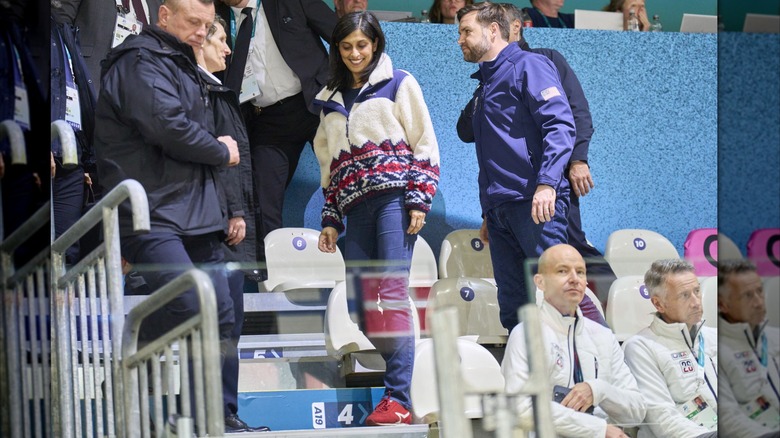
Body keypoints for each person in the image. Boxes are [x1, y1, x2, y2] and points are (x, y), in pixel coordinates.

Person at [93, 0, 243, 431]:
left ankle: (210, 416)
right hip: (150, 212)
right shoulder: (138, 60)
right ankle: (131, 352)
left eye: (207, 25)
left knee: (222, 312)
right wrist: (221, 151)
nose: (201, 32)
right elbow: (168, 125)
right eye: (193, 22)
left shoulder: (182, 63)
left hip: (194, 210)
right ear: (163, 16)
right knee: (187, 301)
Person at [314, 11, 440, 425]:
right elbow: (330, 166)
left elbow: (424, 143)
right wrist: (331, 217)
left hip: (393, 201)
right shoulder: (329, 99)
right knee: (360, 307)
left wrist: (418, 199)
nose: (355, 53)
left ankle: (398, 398)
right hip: (354, 210)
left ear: (375, 45)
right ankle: (408, 368)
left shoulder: (399, 82)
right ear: (337, 49)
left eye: (362, 45)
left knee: (391, 291)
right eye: (346, 46)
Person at [457, 3, 617, 320]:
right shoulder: (485, 82)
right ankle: (524, 355)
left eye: (466, 31)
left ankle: (595, 348)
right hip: (501, 209)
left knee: (560, 299)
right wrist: (490, 210)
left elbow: (560, 126)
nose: (460, 39)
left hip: (535, 203)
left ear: (493, 30)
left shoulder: (530, 65)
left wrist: (546, 184)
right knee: (514, 309)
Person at [215, 0, 337, 281]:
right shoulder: (216, 16)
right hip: (267, 120)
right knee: (263, 199)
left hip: (314, 105)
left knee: (348, 180)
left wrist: (335, 83)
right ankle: (275, 281)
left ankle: (360, 258)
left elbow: (340, 33)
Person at [195, 17, 268, 433]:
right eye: (220, 41)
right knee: (221, 324)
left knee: (230, 326)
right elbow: (221, 163)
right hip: (220, 227)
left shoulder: (218, 92)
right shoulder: (202, 93)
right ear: (199, 43)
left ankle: (224, 412)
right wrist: (235, 212)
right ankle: (216, 413)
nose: (227, 49)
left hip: (228, 226)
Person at [502, 244, 645, 438]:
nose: (574, 279)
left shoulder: (603, 336)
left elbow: (636, 412)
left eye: (580, 272)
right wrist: (598, 429)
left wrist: (599, 390)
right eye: (562, 271)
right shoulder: (526, 334)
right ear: (540, 282)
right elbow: (521, 408)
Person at [623, 259, 718, 438]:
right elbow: (663, 421)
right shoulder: (640, 347)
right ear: (659, 304)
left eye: (697, 291)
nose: (696, 302)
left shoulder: (716, 337)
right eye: (684, 295)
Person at [717, 260, 780, 438]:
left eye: (760, 291)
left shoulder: (776, 337)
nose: (759, 302)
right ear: (722, 304)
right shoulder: (717, 350)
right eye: (747, 296)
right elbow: (727, 420)